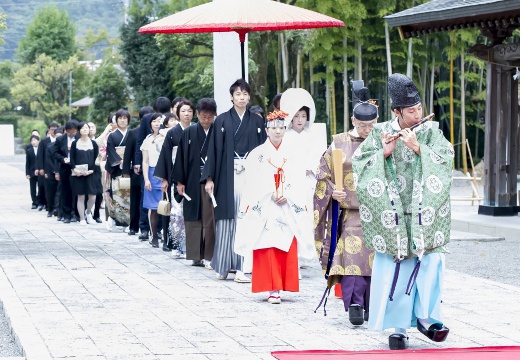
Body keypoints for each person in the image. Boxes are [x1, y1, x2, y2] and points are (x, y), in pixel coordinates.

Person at [352, 73, 453, 350]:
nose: (417, 114)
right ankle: (399, 329)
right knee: (399, 266)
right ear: (396, 111)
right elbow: (359, 164)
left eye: (419, 109)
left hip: (424, 214)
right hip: (394, 216)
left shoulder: (431, 132)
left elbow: (446, 162)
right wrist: (384, 153)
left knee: (430, 264)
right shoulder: (381, 132)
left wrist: (419, 148)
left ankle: (428, 318)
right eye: (411, 111)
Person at [314, 81, 377, 325]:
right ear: (353, 121)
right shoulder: (338, 142)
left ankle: (374, 304)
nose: (366, 130)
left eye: (371, 125)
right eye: (362, 125)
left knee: (377, 258)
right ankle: (355, 303)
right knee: (352, 255)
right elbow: (322, 173)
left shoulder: (383, 141)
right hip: (351, 212)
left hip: (378, 212)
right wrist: (332, 192)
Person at [235, 110, 309, 303]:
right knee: (266, 244)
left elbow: (299, 180)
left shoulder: (293, 153)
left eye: (281, 128)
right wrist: (271, 192)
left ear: (285, 129)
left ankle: (283, 284)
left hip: (287, 205)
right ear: (266, 130)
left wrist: (288, 194)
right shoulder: (257, 154)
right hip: (266, 206)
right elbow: (251, 183)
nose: (277, 131)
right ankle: (271, 288)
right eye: (273, 128)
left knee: (284, 243)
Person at [201, 79, 267, 282]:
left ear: (249, 97)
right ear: (231, 97)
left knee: (246, 218)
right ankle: (222, 265)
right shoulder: (221, 120)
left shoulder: (256, 121)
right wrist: (209, 178)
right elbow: (212, 151)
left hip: (250, 174)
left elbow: (262, 151)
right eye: (238, 94)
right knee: (226, 220)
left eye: (245, 94)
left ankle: (242, 267)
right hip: (226, 174)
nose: (241, 97)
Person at [279, 88, 327, 270]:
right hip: (292, 183)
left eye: (303, 116)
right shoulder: (285, 136)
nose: (300, 120)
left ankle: (306, 252)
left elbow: (320, 159)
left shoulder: (312, 136)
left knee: (308, 218)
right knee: (292, 217)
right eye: (297, 115)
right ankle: (293, 257)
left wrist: (312, 169)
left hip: (309, 183)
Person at [173, 98, 217, 267]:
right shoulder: (189, 132)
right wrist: (179, 181)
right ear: (197, 115)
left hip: (211, 180)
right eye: (203, 116)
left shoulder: (218, 132)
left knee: (209, 218)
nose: (206, 120)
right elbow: (181, 159)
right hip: (191, 178)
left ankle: (208, 255)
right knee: (192, 216)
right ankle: (194, 254)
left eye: (209, 117)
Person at [155, 100, 193, 254]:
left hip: (193, 176)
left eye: (189, 111)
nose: (186, 114)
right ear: (178, 114)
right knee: (177, 211)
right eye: (183, 111)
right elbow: (165, 156)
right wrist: (165, 179)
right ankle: (177, 245)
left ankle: (191, 244)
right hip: (176, 176)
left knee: (191, 212)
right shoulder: (172, 133)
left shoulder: (196, 129)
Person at [136, 97, 174, 241]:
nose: (158, 123)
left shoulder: (171, 125)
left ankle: (163, 233)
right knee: (150, 202)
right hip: (151, 168)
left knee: (164, 202)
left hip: (164, 168)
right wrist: (139, 164)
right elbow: (142, 142)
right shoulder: (148, 121)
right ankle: (148, 230)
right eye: (155, 122)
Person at [123, 107, 154, 236]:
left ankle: (147, 226)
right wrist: (126, 171)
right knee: (136, 199)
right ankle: (133, 225)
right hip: (137, 171)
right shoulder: (134, 133)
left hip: (150, 170)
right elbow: (128, 153)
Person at [141, 114, 166, 247]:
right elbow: (145, 161)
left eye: (159, 121)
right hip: (151, 172)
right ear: (150, 124)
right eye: (154, 121)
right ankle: (154, 235)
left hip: (164, 173)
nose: (157, 123)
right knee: (153, 207)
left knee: (166, 206)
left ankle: (166, 236)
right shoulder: (147, 139)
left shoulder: (166, 137)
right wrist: (146, 179)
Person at [105, 109, 131, 229]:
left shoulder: (132, 133)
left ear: (128, 120)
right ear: (116, 120)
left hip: (130, 167)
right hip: (117, 167)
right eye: (120, 118)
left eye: (125, 118)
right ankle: (116, 218)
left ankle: (129, 221)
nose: (122, 120)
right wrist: (121, 161)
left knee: (129, 195)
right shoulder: (112, 136)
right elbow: (110, 151)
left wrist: (130, 162)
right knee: (117, 194)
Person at [70, 122, 99, 225]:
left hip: (91, 173)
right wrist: (75, 170)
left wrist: (92, 170)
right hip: (78, 173)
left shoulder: (94, 143)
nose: (85, 129)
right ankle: (82, 218)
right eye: (82, 128)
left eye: (87, 127)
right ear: (79, 130)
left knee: (92, 196)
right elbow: (72, 159)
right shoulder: (75, 143)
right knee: (81, 196)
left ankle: (88, 213)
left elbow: (97, 158)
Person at [52, 120, 79, 223]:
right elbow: (55, 153)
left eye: (73, 132)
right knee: (65, 191)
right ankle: (66, 214)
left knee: (76, 191)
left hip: (77, 168)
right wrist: (63, 159)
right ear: (65, 131)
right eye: (69, 132)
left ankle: (75, 213)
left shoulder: (79, 138)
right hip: (65, 167)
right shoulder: (60, 139)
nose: (71, 134)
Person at [36, 122, 59, 215]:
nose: (53, 131)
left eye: (55, 129)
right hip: (48, 169)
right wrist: (41, 168)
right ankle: (50, 209)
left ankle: (57, 209)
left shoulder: (60, 140)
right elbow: (40, 156)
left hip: (59, 168)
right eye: (51, 129)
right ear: (49, 130)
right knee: (49, 190)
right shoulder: (44, 141)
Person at [26, 135, 40, 209]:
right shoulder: (29, 151)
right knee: (33, 188)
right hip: (32, 172)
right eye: (32, 140)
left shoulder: (41, 149)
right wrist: (27, 173)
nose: (33, 142)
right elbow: (27, 163)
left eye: (35, 140)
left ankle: (40, 201)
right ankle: (34, 202)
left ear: (38, 141)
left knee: (41, 188)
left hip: (40, 172)